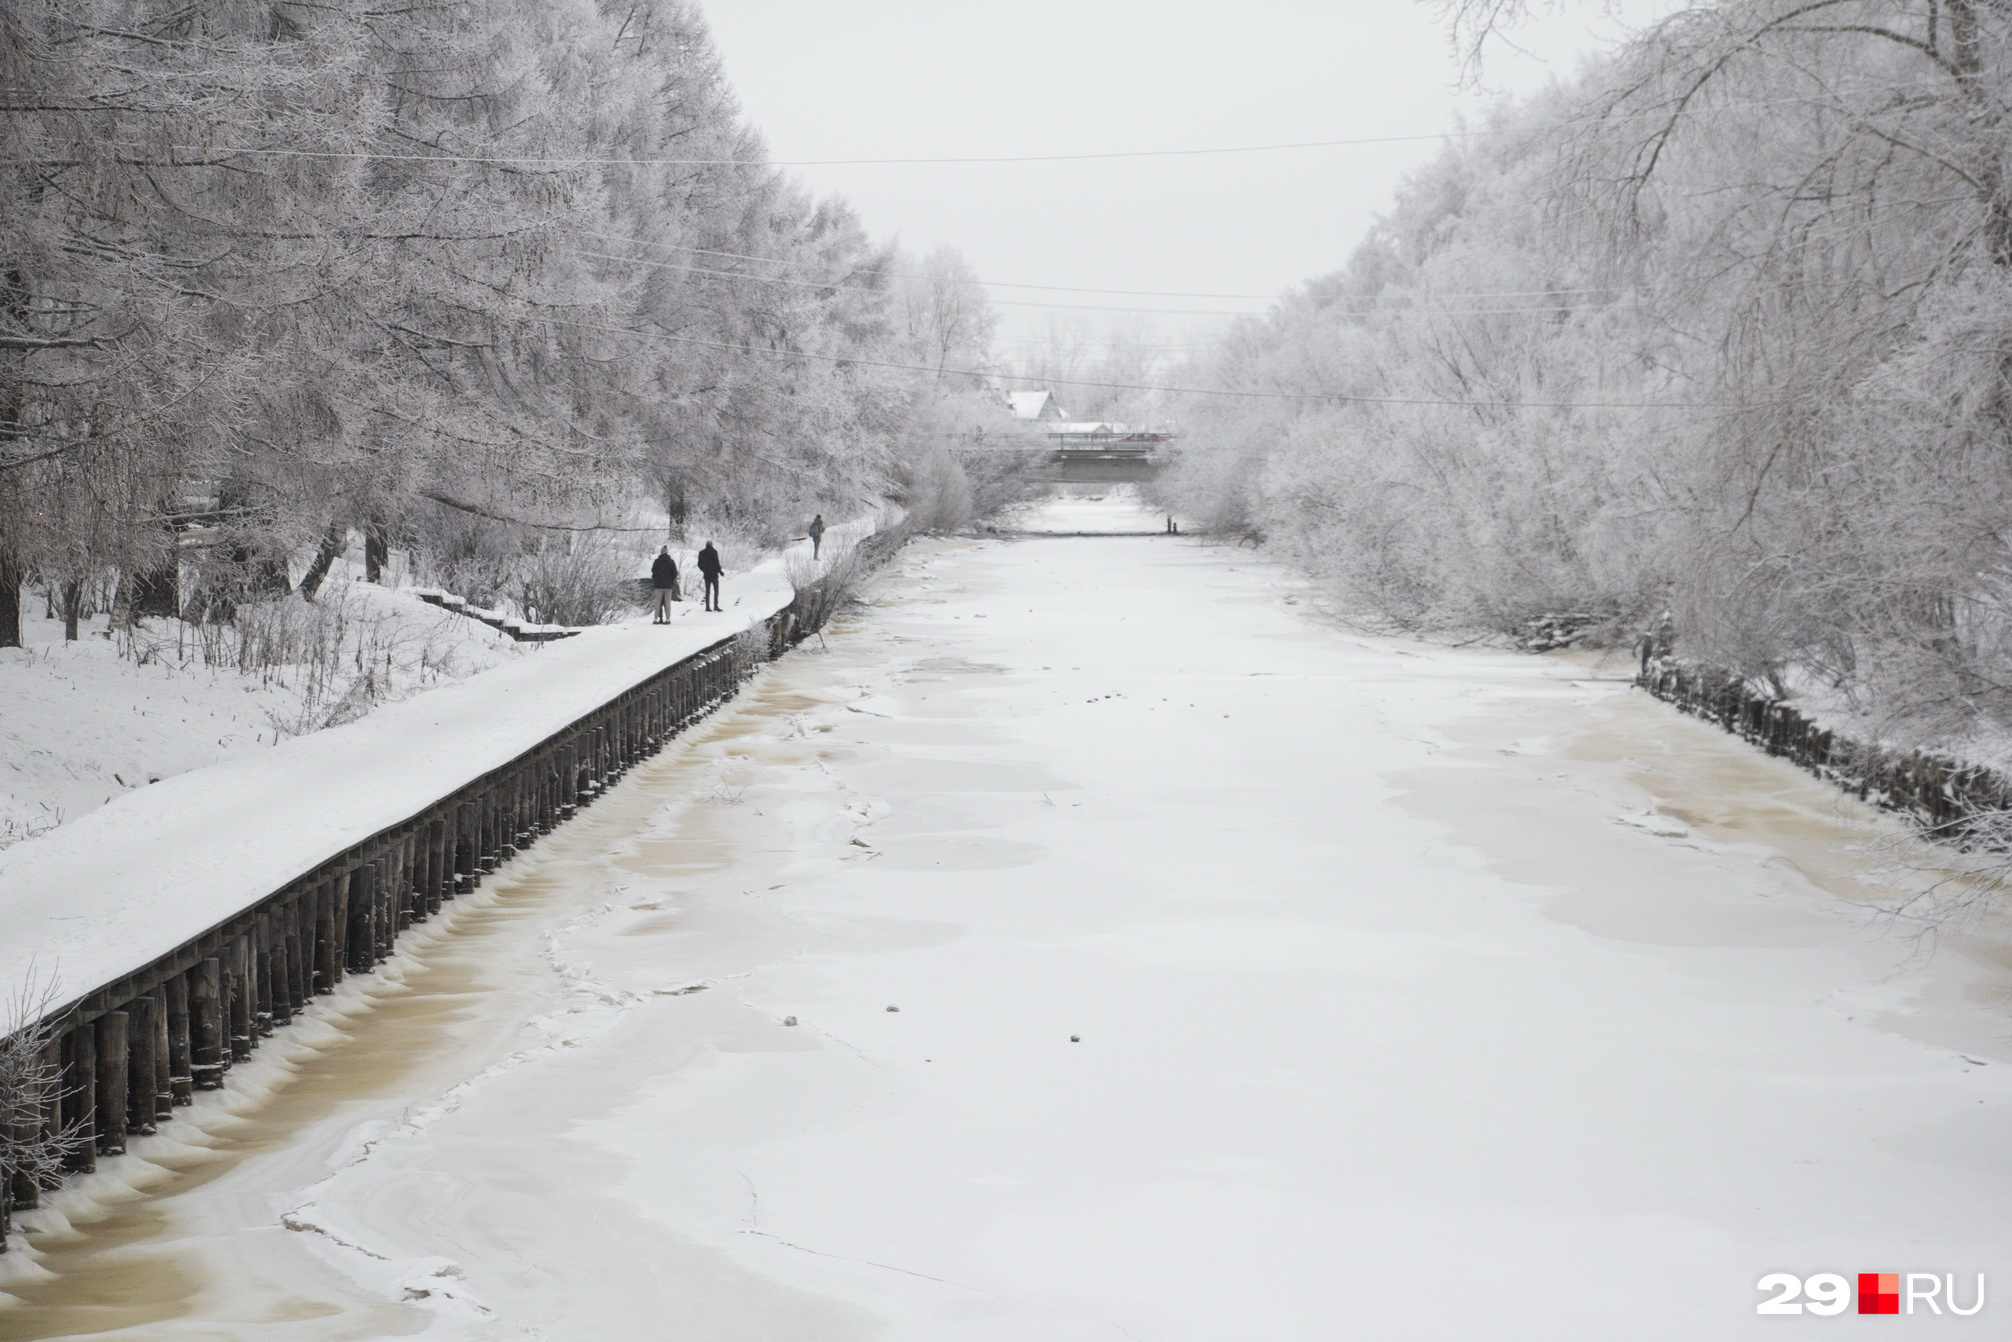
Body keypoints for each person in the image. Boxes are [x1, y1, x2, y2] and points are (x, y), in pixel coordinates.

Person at [649, 547, 678, 624]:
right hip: (668, 586)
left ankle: (656, 619)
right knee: (667, 603)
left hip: (658, 585)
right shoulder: (671, 562)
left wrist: (655, 579)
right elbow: (675, 573)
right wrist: (671, 580)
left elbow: (653, 571)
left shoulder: (656, 561)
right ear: (667, 552)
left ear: (661, 552)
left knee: (657, 602)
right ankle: (668, 619)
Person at [697, 540, 723, 611]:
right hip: (714, 574)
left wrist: (704, 570)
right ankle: (715, 606)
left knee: (707, 590)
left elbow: (699, 564)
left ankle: (707, 607)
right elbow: (716, 563)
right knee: (716, 590)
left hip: (706, 574)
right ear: (712, 545)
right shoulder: (714, 552)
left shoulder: (701, 553)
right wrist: (720, 571)